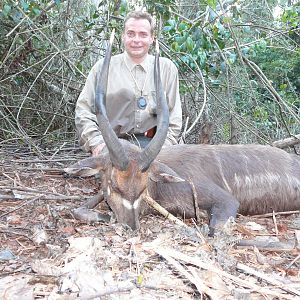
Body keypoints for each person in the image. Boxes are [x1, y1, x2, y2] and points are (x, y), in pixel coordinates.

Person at [75, 11, 182, 157]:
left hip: (154, 148)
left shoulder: (167, 68)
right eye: (131, 34)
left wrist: (163, 149)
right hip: (114, 148)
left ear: (152, 38)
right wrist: (97, 144)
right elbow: (84, 111)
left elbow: (174, 118)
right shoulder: (103, 68)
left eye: (143, 34)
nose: (136, 40)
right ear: (123, 36)